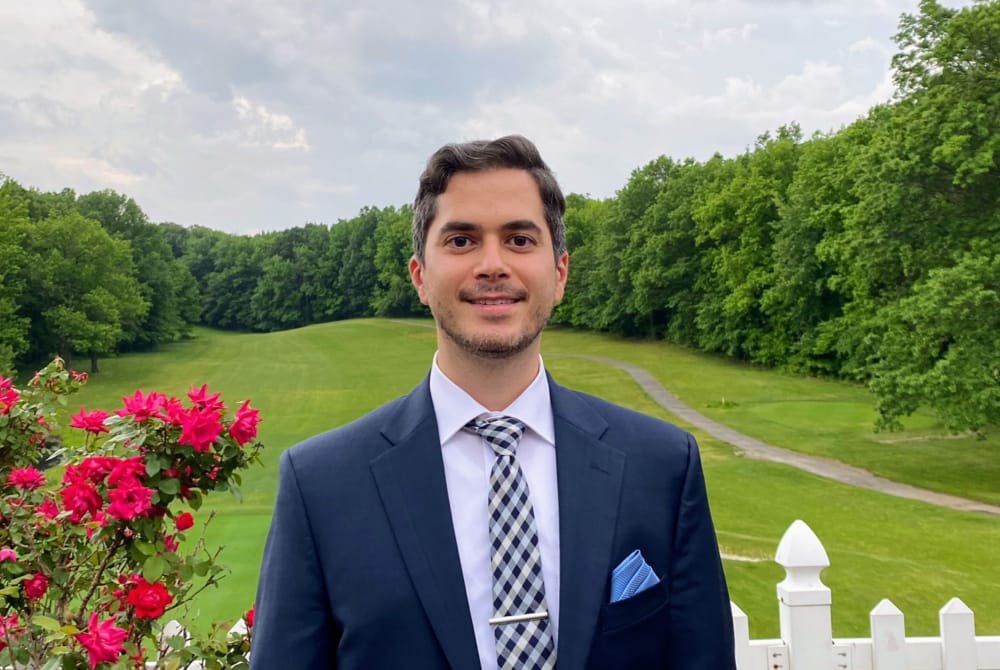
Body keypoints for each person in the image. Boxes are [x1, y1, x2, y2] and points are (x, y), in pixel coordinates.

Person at [250, 135, 736, 669]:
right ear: (419, 276)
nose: (492, 264)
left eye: (520, 240)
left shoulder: (662, 465)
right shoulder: (321, 484)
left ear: (560, 273)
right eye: (461, 241)